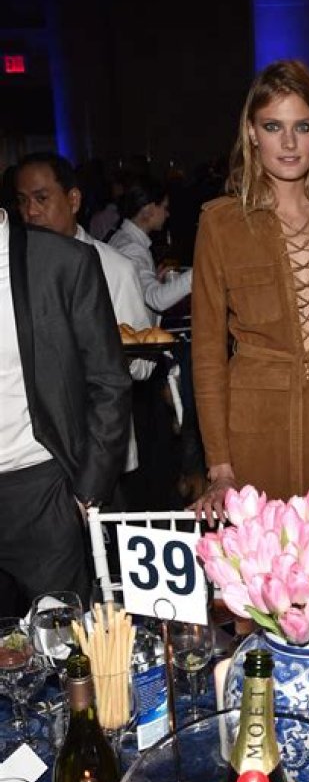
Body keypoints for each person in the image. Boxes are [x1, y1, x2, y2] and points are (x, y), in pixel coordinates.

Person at [191, 59, 309, 519]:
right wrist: (219, 465)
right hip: (253, 427)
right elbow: (208, 352)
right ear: (252, 133)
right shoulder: (220, 223)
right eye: (273, 126)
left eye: (302, 127)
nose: (289, 143)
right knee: (257, 559)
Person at [0, 206, 131, 608]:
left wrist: (86, 491)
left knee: (63, 640)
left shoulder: (60, 261)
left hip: (40, 490)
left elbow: (109, 381)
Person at [15, 152, 154, 521]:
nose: (31, 212)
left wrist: (106, 355)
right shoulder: (13, 270)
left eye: (42, 198)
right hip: (37, 457)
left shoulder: (115, 267)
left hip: (102, 451)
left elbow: (144, 364)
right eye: (22, 201)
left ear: (73, 200)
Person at [108, 176, 193, 319]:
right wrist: (200, 272)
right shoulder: (132, 248)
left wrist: (154, 280)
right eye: (164, 207)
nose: (167, 214)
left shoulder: (122, 238)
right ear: (148, 210)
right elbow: (157, 299)